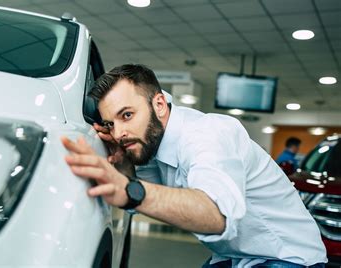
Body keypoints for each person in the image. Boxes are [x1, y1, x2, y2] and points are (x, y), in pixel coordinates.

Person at [61, 64, 326, 267]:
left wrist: (129, 190)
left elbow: (215, 214)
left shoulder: (208, 133)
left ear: (160, 105)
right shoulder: (157, 144)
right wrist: (124, 168)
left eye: (127, 115)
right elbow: (151, 191)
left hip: (289, 258)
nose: (119, 133)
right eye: (111, 124)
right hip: (237, 256)